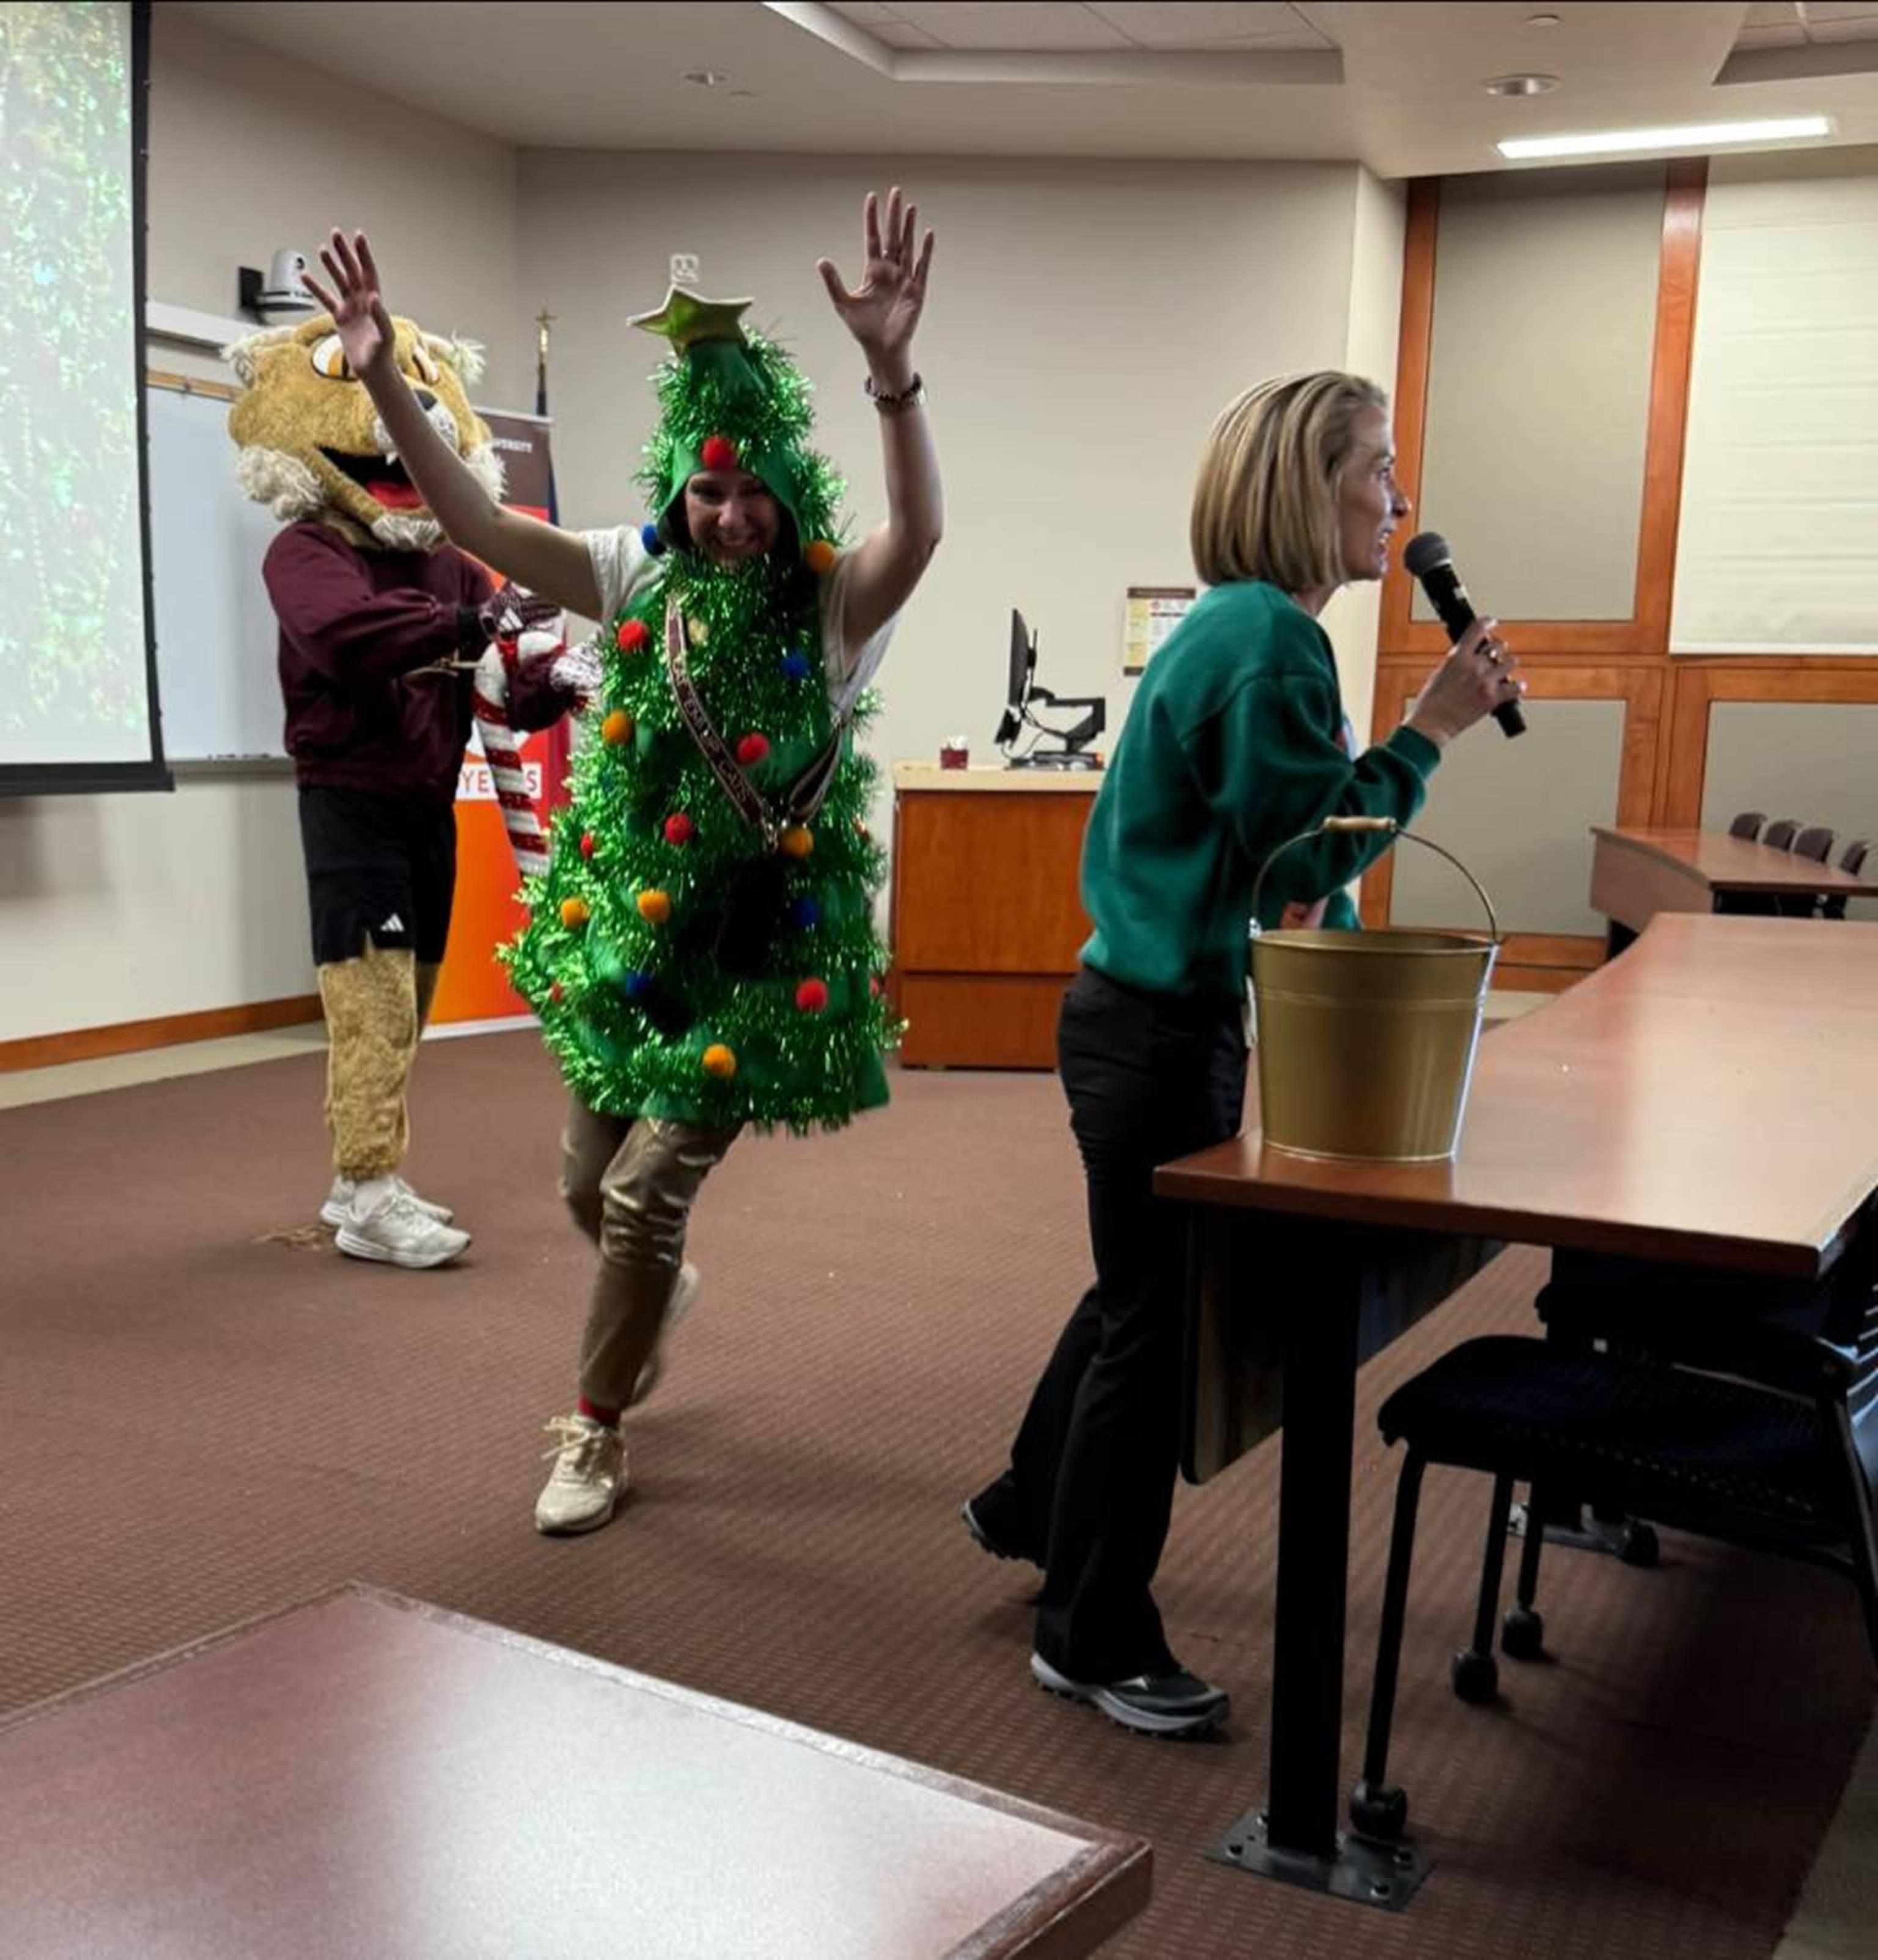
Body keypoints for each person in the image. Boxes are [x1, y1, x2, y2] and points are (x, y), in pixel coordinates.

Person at [303, 186, 941, 1531]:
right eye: (705, 490)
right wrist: (383, 384)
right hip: (640, 943)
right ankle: (651, 1284)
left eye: (748, 489)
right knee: (584, 1185)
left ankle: (592, 1430)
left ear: (785, 490)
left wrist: (891, 373)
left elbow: (920, 533)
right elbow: (478, 526)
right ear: (680, 490)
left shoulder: (836, 603)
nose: (726, 516)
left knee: (644, 1197)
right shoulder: (636, 574)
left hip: (763, 960)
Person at [960, 371, 1522, 1737]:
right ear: (1302, 484)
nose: (1401, 503)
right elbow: (1298, 860)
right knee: (1159, 1326)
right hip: (1156, 1034)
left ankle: (1038, 1505)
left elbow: (1278, 858)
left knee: (1135, 1292)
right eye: (1376, 472)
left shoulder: (1246, 629)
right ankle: (1089, 1633)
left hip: (1142, 1021)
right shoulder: (1270, 640)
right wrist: (1430, 732)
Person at [228, 308, 573, 1269]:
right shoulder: (306, 551)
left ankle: (361, 1179)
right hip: (351, 800)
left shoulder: (449, 561)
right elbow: (343, 638)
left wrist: (552, 680)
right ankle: (370, 1184)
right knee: (372, 1002)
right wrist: (465, 626)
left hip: (427, 808)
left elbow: (501, 685)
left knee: (408, 1005)